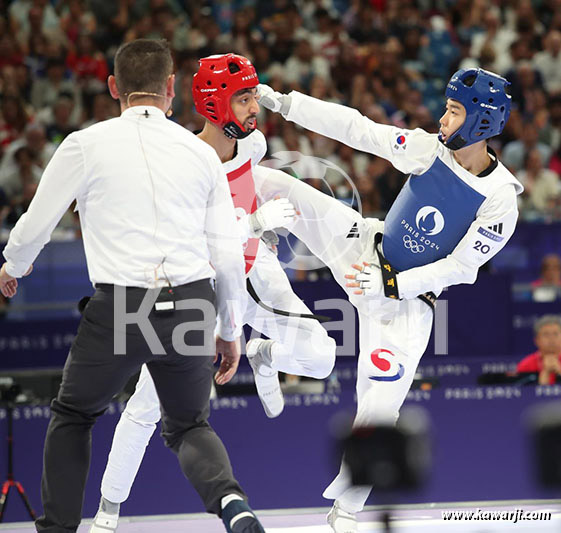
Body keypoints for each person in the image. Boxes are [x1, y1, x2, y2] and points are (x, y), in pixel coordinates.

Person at [0, 39, 265, 533]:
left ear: (113, 88)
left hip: (124, 306)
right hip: (190, 300)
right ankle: (233, 503)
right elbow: (226, 252)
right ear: (171, 88)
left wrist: (12, 266)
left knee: (74, 415)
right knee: (188, 424)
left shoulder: (84, 145)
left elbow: (36, 223)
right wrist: (230, 329)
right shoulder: (201, 154)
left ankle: (58, 529)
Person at [256, 67, 523, 532]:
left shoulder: (501, 200)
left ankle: (345, 514)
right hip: (363, 246)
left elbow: (460, 268)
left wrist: (394, 286)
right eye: (447, 107)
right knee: (277, 185)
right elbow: (359, 129)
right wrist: (283, 102)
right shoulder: (429, 151)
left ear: (481, 122)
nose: (443, 118)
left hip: (405, 303)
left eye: (455, 111)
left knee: (381, 409)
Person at [89, 53, 337, 532]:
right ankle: (106, 513)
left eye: (252, 97)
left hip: (253, 272)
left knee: (323, 357)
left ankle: (264, 354)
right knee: (144, 407)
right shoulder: (181, 161)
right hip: (197, 289)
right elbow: (181, 238)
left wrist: (261, 226)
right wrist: (255, 222)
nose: (253, 109)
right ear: (213, 104)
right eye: (243, 98)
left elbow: (251, 184)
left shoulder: (255, 144)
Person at [517, 315, 561, 385]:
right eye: (546, 335)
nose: (551, 339)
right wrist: (545, 372)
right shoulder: (526, 365)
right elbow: (523, 393)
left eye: (555, 334)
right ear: (537, 340)